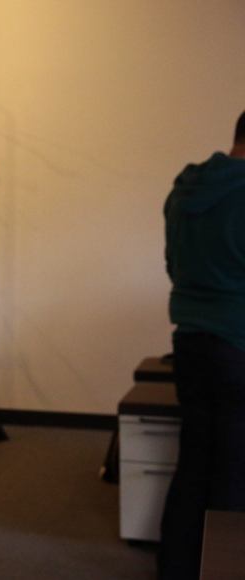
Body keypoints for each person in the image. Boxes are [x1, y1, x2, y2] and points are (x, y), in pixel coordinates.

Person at [158, 110, 245, 579]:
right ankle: (225, 573)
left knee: (194, 461)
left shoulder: (184, 189)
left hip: (190, 342)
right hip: (239, 346)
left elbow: (173, 265)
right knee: (235, 468)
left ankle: (175, 569)